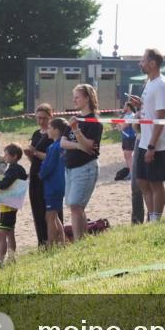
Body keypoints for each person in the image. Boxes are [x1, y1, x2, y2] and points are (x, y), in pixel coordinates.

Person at [130, 48, 165, 223]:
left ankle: (156, 218)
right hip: (144, 140)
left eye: (143, 60)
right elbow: (152, 111)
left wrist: (152, 146)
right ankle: (152, 216)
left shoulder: (162, 84)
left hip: (157, 143)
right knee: (141, 180)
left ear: (152, 63)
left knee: (155, 182)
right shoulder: (150, 82)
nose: (140, 63)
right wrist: (140, 104)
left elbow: (161, 118)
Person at [61, 84, 103, 241]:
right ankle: (82, 240)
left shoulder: (94, 122)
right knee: (74, 206)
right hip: (70, 168)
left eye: (77, 96)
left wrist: (76, 131)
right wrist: (78, 144)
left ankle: (80, 241)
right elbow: (63, 143)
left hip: (85, 167)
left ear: (87, 98)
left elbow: (88, 147)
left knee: (76, 205)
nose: (74, 100)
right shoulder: (75, 118)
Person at [0, 143, 27, 266]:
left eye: (6, 154)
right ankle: (11, 259)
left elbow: (3, 185)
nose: (4, 156)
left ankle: (0, 262)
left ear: (14, 156)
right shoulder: (19, 169)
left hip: (8, 207)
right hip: (12, 206)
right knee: (10, 233)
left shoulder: (13, 169)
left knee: (1, 234)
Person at [24, 103, 55, 246]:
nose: (41, 121)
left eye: (44, 118)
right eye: (39, 118)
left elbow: (52, 157)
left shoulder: (53, 134)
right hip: (35, 173)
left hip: (49, 175)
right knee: (37, 208)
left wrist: (35, 152)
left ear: (51, 117)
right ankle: (41, 241)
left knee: (49, 209)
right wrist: (30, 154)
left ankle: (52, 240)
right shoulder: (36, 134)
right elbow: (34, 159)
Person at [40, 117, 68, 245]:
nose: (48, 131)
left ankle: (51, 244)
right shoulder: (63, 145)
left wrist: (40, 174)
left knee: (50, 216)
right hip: (60, 183)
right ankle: (61, 242)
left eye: (50, 128)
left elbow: (48, 166)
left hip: (53, 185)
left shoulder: (53, 147)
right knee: (54, 215)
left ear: (56, 130)